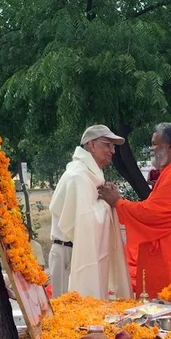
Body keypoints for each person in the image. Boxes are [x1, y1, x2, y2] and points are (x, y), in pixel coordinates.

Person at [99, 122, 171, 297]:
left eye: (155, 144)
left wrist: (118, 203)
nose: (151, 149)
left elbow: (152, 213)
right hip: (169, 257)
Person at [48, 125, 132, 300]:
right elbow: (85, 222)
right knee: (70, 315)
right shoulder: (77, 175)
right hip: (69, 255)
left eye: (113, 146)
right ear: (92, 145)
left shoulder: (91, 175)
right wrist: (110, 201)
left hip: (84, 254)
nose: (112, 151)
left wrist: (109, 198)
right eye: (107, 145)